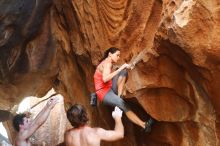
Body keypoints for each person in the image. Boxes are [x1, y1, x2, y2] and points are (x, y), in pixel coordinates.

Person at [93, 47, 154, 132]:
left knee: (124, 72)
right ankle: (144, 126)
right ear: (110, 54)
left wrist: (126, 67)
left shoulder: (108, 63)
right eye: (117, 55)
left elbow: (114, 73)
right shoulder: (107, 64)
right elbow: (105, 79)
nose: (118, 58)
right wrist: (121, 68)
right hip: (103, 93)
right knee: (124, 105)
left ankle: (119, 97)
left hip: (109, 88)